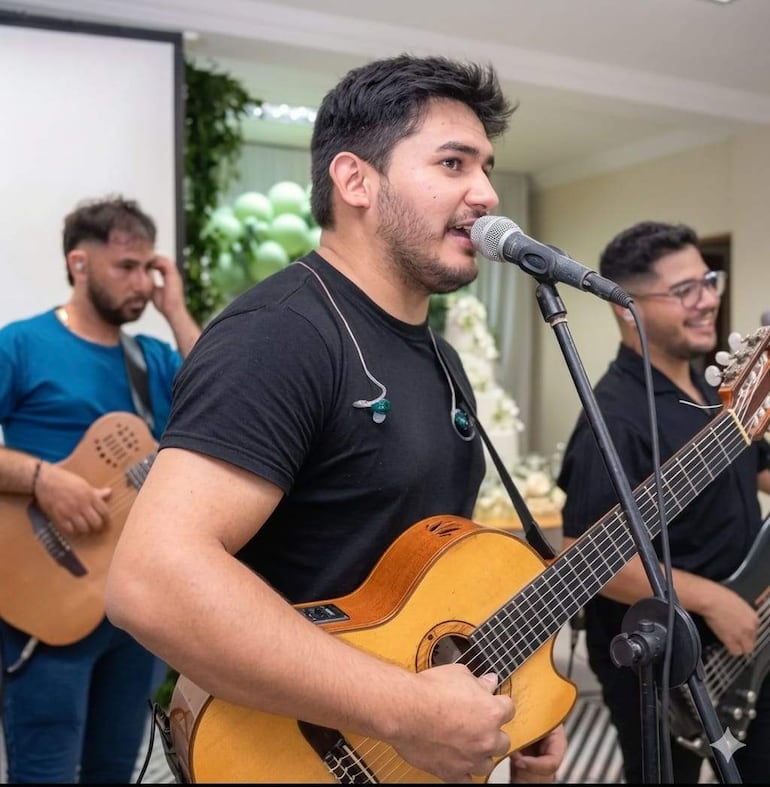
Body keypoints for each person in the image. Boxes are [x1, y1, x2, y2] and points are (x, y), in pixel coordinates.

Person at [104, 54, 567, 784]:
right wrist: (406, 709)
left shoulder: (440, 358)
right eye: (452, 163)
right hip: (272, 752)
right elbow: (149, 579)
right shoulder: (282, 333)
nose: (485, 195)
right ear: (355, 181)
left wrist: (496, 692)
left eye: (485, 168)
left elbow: (408, 578)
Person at [557, 220, 770, 783]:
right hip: (663, 665)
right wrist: (713, 602)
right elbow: (585, 559)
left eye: (709, 282)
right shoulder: (614, 416)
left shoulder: (711, 390)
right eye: (685, 291)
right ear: (628, 309)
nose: (708, 302)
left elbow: (761, 469)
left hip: (749, 639)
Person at [0, 195, 201, 783]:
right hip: (44, 599)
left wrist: (176, 309)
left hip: (135, 607)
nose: (140, 281)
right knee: (46, 772)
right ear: (79, 264)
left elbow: (230, 396)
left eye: (148, 267)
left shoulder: (155, 358)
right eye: (125, 267)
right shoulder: (21, 344)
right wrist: (42, 479)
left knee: (116, 769)